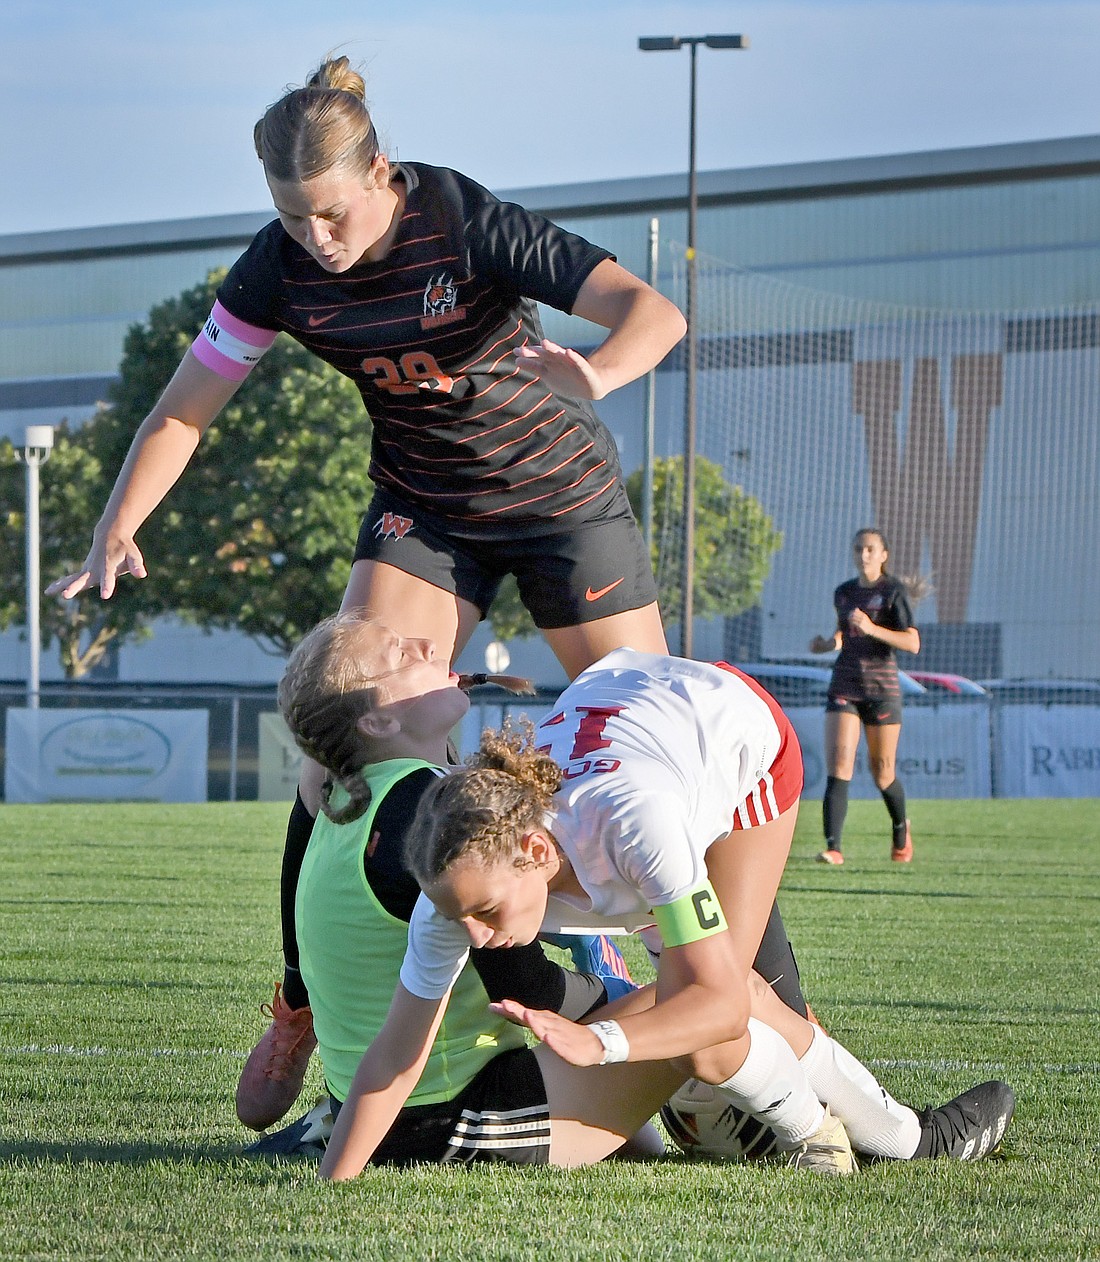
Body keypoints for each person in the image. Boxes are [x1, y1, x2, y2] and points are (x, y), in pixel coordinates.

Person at [46, 54, 686, 1122]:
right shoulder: (277, 268)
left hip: (559, 497)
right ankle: (303, 1004)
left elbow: (650, 311)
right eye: (295, 222)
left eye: (333, 216)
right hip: (425, 509)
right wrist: (119, 521)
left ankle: (750, 1002)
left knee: (655, 746)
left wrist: (599, 371)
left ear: (380, 174)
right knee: (336, 734)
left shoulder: (461, 219)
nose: (317, 242)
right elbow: (183, 407)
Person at [278, 617, 1012, 1180]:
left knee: (730, 999)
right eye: (459, 915)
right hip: (620, 709)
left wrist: (603, 1040)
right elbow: (392, 1061)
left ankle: (900, 1139)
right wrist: (333, 1182)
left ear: (536, 854)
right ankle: (776, 1123)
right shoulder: (464, 871)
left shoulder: (636, 822)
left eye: (487, 914)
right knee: (699, 1015)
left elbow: (719, 1003)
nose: (473, 933)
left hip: (741, 737)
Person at [251, 611, 820, 1165]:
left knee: (686, 1016)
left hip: (386, 1104)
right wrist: (616, 1011)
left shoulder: (347, 806)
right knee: (720, 992)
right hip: (452, 1113)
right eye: (400, 653)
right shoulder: (433, 813)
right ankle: (867, 1129)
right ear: (374, 721)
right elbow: (520, 982)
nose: (427, 645)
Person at [809, 527, 923, 866]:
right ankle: (834, 848)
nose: (864, 554)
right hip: (845, 684)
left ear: (883, 555)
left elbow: (912, 643)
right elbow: (843, 635)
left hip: (882, 689)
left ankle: (901, 828)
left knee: (882, 773)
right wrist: (827, 645)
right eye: (859, 548)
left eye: (871, 549)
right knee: (839, 765)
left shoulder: (893, 591)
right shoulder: (844, 593)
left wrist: (873, 628)